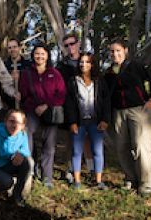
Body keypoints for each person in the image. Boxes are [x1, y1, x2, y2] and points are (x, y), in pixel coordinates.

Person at [104, 38, 151, 195]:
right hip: (118, 112)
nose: (115, 54)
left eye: (118, 50)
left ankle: (146, 182)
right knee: (121, 147)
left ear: (125, 51)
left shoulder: (136, 66)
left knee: (141, 146)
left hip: (139, 110)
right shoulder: (109, 72)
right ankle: (130, 178)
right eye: (112, 51)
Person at [19, 43, 66, 188]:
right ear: (33, 56)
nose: (39, 56)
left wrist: (46, 105)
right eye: (37, 53)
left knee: (49, 145)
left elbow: (61, 94)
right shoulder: (27, 73)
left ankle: (47, 176)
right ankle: (29, 169)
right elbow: (24, 93)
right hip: (31, 111)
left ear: (47, 56)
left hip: (50, 111)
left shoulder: (55, 73)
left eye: (42, 53)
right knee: (28, 138)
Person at [64, 53, 110, 190]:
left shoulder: (100, 81)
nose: (84, 65)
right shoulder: (73, 81)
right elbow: (69, 104)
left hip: (96, 122)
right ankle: (77, 181)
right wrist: (72, 122)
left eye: (87, 62)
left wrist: (105, 119)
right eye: (81, 62)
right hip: (79, 122)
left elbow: (106, 102)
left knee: (97, 150)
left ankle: (98, 181)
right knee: (76, 151)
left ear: (92, 64)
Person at [57, 33, 94, 184]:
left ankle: (92, 169)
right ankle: (70, 169)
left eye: (72, 44)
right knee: (70, 141)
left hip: (88, 106)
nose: (70, 47)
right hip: (69, 108)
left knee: (88, 140)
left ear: (78, 44)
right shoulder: (61, 66)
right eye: (66, 45)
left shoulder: (87, 61)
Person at [3, 38, 31, 109]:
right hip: (9, 105)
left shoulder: (28, 65)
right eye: (10, 48)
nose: (12, 50)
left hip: (26, 104)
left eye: (15, 47)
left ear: (19, 47)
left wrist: (21, 76)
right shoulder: (4, 66)